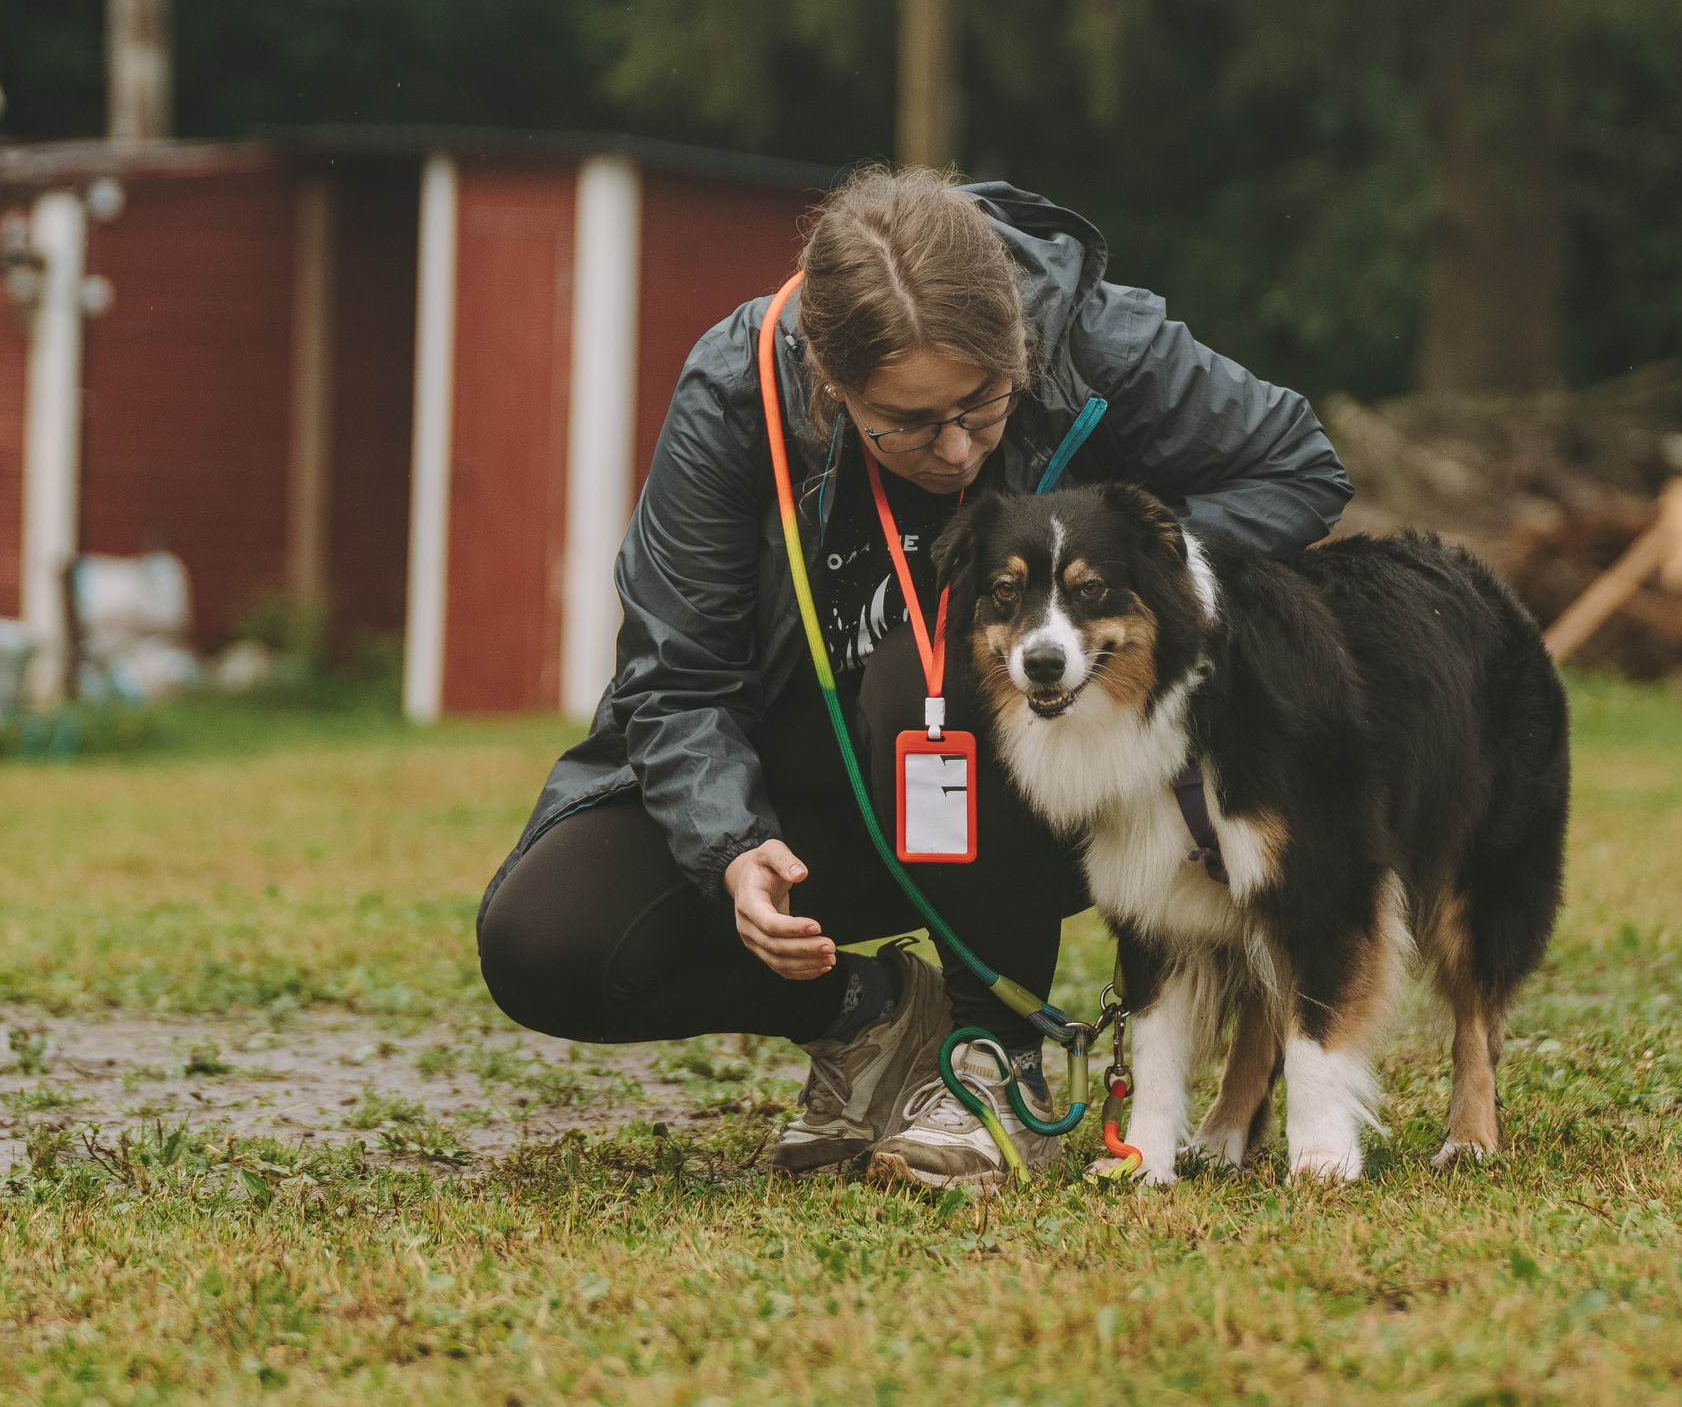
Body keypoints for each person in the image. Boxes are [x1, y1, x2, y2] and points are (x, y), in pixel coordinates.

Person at [476, 167, 1348, 1188]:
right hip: (823, 784)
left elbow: (1297, 464)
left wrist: (1143, 571)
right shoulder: (737, 389)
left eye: (981, 405)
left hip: (1051, 788)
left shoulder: (1094, 338)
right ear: (831, 386)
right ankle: (880, 1024)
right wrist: (730, 843)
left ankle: (997, 1065)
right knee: (548, 940)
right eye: (904, 422)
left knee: (932, 671)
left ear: (1017, 343)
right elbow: (678, 675)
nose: (954, 449)